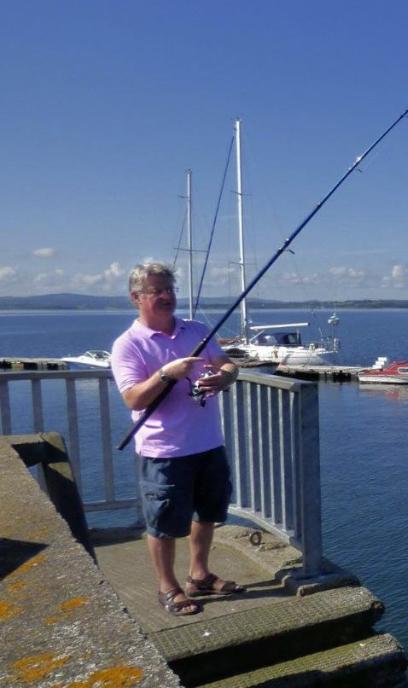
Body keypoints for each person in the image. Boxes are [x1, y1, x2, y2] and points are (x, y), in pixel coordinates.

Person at [110, 263, 243, 616]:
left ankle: (199, 575)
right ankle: (167, 588)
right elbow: (133, 398)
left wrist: (225, 377)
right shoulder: (127, 345)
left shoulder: (196, 329)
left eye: (169, 289)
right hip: (163, 450)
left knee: (208, 513)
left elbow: (227, 363)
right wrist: (166, 375)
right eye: (157, 291)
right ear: (136, 298)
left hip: (208, 442)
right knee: (164, 522)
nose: (167, 296)